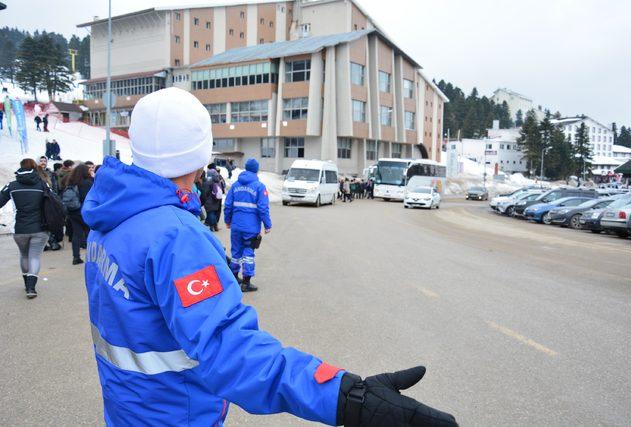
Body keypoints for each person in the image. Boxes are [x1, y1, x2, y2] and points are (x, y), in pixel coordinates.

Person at [81, 88, 458, 426]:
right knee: (246, 257)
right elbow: (231, 352)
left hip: (126, 410)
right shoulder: (175, 236)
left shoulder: (110, 217)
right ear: (199, 155)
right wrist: (344, 397)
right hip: (176, 414)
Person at [0, 159, 49, 298]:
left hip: (20, 228)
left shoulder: (12, 185)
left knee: (24, 255)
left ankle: (26, 283)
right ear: (34, 168)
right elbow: (54, 201)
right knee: (35, 256)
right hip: (40, 227)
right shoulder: (42, 184)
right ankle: (31, 288)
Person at [224, 158, 271, 292]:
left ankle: (233, 278)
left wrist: (228, 220)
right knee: (248, 253)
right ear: (256, 170)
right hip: (251, 228)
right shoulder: (259, 186)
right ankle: (246, 282)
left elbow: (228, 205)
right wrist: (267, 225)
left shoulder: (235, 185)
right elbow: (263, 208)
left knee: (236, 252)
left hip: (236, 226)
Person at [65, 163, 93, 265]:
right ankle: (91, 256)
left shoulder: (71, 183)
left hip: (73, 212)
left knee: (76, 234)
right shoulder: (88, 183)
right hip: (84, 211)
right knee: (89, 233)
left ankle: (76, 257)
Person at [201, 167, 223, 232]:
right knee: (214, 213)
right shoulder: (218, 181)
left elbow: (205, 192)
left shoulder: (207, 182)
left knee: (210, 213)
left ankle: (212, 226)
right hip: (217, 200)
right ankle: (215, 226)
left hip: (209, 200)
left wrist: (204, 199)